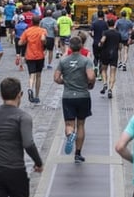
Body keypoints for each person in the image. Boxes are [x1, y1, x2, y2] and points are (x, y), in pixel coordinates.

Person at [54, 36, 96, 164]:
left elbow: (56, 78)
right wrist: (91, 84)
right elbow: (91, 76)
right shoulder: (86, 61)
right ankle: (78, 154)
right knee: (81, 124)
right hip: (83, 95)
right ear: (81, 46)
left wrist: (65, 82)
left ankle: (70, 134)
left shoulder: (63, 61)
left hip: (68, 96)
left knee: (69, 124)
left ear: (70, 47)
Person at [18, 16, 47, 104]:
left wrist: (26, 41)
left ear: (31, 22)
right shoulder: (43, 31)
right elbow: (43, 40)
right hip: (39, 56)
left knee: (31, 75)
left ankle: (30, 88)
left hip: (29, 55)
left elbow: (20, 43)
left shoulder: (27, 31)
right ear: (39, 22)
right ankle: (37, 96)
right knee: (38, 76)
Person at [99, 17, 123, 99]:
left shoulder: (105, 32)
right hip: (114, 54)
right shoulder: (118, 33)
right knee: (113, 72)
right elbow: (120, 46)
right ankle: (110, 89)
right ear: (114, 24)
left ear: (107, 24)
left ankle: (105, 83)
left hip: (105, 53)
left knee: (103, 69)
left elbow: (102, 40)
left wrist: (100, 44)